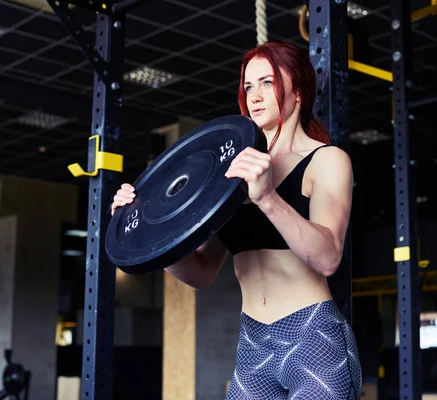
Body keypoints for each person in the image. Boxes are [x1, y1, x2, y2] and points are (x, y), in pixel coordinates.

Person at [111, 41, 362, 399]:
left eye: (267, 83)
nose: (255, 96)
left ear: (299, 92)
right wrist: (152, 233)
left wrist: (267, 198)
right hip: (253, 344)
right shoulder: (233, 173)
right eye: (248, 86)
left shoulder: (326, 160)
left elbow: (328, 256)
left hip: (313, 338)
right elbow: (201, 272)